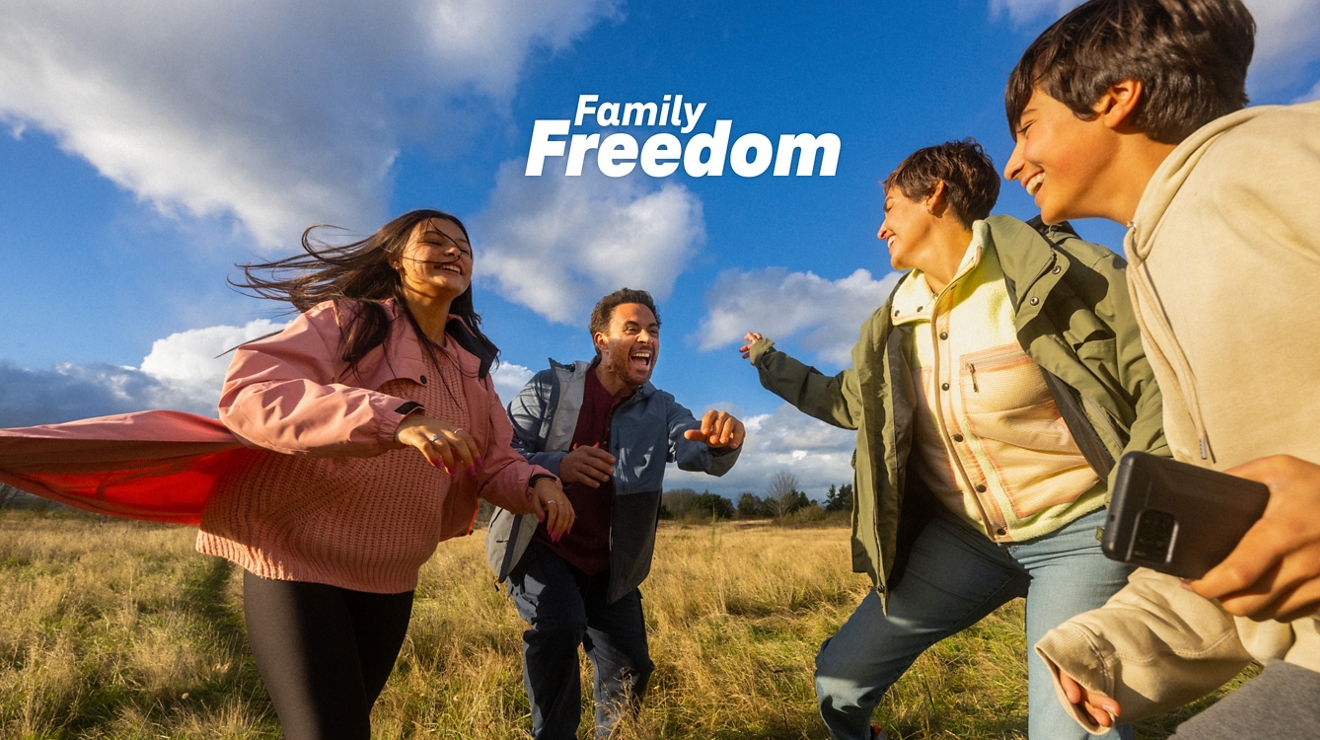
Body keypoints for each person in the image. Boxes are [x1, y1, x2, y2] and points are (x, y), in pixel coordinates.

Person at [0, 209, 575, 740]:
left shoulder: (471, 368)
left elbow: (491, 459)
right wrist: (393, 417)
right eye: (435, 241)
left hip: (391, 572)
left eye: (464, 248)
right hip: (296, 555)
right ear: (396, 259)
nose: (454, 253)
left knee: (346, 724)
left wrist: (535, 483)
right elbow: (253, 393)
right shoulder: (351, 321)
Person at [739, 139, 1165, 740]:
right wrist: (767, 359)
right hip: (966, 543)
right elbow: (846, 402)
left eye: (889, 207)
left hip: (1082, 532)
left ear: (935, 194)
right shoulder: (891, 325)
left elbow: (1157, 382)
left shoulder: (1063, 271)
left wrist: (1148, 512)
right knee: (839, 679)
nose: (880, 228)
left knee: (1069, 727)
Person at [1001, 0, 1320, 737]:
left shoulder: (1272, 156)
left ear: (1115, 98)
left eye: (1028, 127)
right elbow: (1247, 531)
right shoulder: (1151, 265)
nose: (1015, 162)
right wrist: (1115, 645)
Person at [485, 287, 745, 740]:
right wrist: (558, 465)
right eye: (633, 329)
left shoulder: (661, 406)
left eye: (654, 331)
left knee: (632, 667)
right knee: (560, 623)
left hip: (611, 567)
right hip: (541, 544)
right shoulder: (551, 387)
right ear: (601, 341)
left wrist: (725, 442)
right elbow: (503, 451)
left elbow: (692, 446)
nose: (647, 338)